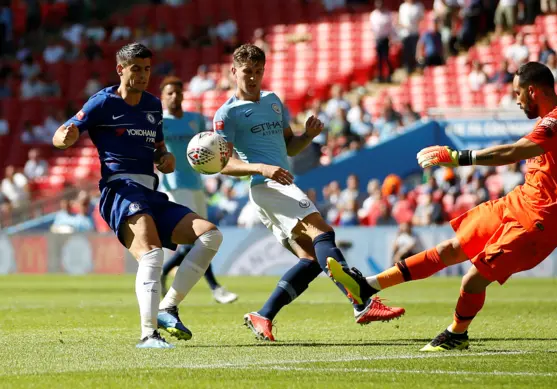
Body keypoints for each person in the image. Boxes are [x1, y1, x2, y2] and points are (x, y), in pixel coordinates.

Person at [328, 62, 557, 352]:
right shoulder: (552, 123)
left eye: (518, 93)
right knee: (448, 250)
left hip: (539, 221)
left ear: (532, 90)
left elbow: (514, 152)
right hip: (516, 204)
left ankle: (457, 334)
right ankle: (367, 286)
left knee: (473, 279)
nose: (516, 100)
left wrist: (458, 156)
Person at [214, 44, 404, 342]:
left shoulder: (274, 102)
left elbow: (289, 146)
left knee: (312, 259)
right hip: (267, 185)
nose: (252, 78)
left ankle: (263, 315)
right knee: (323, 233)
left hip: (280, 183)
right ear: (233, 72)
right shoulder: (227, 114)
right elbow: (223, 164)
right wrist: (261, 168)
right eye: (246, 72)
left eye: (258, 72)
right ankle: (362, 302)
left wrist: (309, 136)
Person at [52, 43, 224, 349]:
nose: (144, 75)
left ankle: (167, 307)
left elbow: (159, 150)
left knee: (211, 236)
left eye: (147, 69)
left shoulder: (153, 105)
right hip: (119, 188)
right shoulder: (101, 102)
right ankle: (148, 335)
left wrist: (166, 158)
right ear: (121, 69)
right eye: (137, 69)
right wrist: (64, 138)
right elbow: (64, 133)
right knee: (153, 252)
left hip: (150, 191)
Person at [158, 76, 238, 304]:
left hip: (197, 184)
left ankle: (165, 271)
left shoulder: (195, 120)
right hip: (174, 186)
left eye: (177, 92)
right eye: (169, 93)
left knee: (200, 240)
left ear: (183, 95)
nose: (174, 97)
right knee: (201, 238)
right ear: (163, 98)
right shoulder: (160, 122)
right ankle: (216, 288)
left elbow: (214, 144)